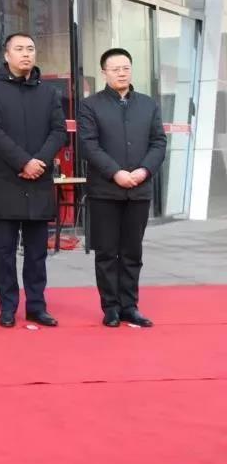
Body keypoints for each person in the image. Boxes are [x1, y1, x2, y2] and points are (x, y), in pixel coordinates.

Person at [0, 33, 67, 328]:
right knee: (4, 252)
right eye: (19, 49)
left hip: (39, 181)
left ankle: (36, 306)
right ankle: (7, 307)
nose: (26, 54)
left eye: (30, 48)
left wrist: (38, 162)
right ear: (7, 56)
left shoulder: (49, 93)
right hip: (8, 181)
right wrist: (23, 162)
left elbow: (59, 131)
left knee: (37, 252)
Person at [78, 48, 165, 328]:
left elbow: (158, 142)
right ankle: (111, 307)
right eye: (115, 69)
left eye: (126, 67)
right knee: (106, 252)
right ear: (104, 72)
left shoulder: (148, 105)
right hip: (105, 190)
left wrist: (143, 170)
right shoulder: (90, 106)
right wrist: (115, 172)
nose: (121, 73)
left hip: (139, 189)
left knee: (132, 252)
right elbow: (89, 145)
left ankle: (130, 306)